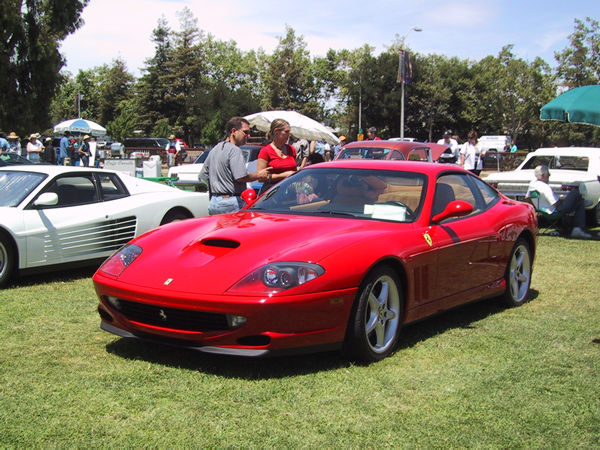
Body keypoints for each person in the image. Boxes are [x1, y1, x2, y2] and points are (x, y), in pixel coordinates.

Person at [200, 117, 271, 215]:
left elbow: (203, 175)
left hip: (214, 202)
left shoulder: (215, 149)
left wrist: (217, 189)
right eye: (245, 132)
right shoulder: (235, 150)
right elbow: (240, 177)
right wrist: (259, 175)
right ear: (234, 131)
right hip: (231, 203)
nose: (248, 136)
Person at [525, 165, 591, 239]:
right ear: (543, 176)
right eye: (548, 175)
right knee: (575, 191)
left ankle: (577, 228)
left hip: (544, 210)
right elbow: (556, 203)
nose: (549, 176)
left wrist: (535, 207)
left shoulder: (532, 184)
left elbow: (527, 198)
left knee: (580, 203)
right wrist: (564, 201)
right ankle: (578, 229)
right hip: (554, 211)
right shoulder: (545, 187)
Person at [257, 119, 297, 194]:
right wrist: (282, 176)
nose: (289, 135)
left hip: (291, 193)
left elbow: (294, 170)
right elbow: (260, 177)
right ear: (276, 131)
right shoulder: (265, 151)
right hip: (273, 193)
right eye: (286, 132)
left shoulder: (291, 149)